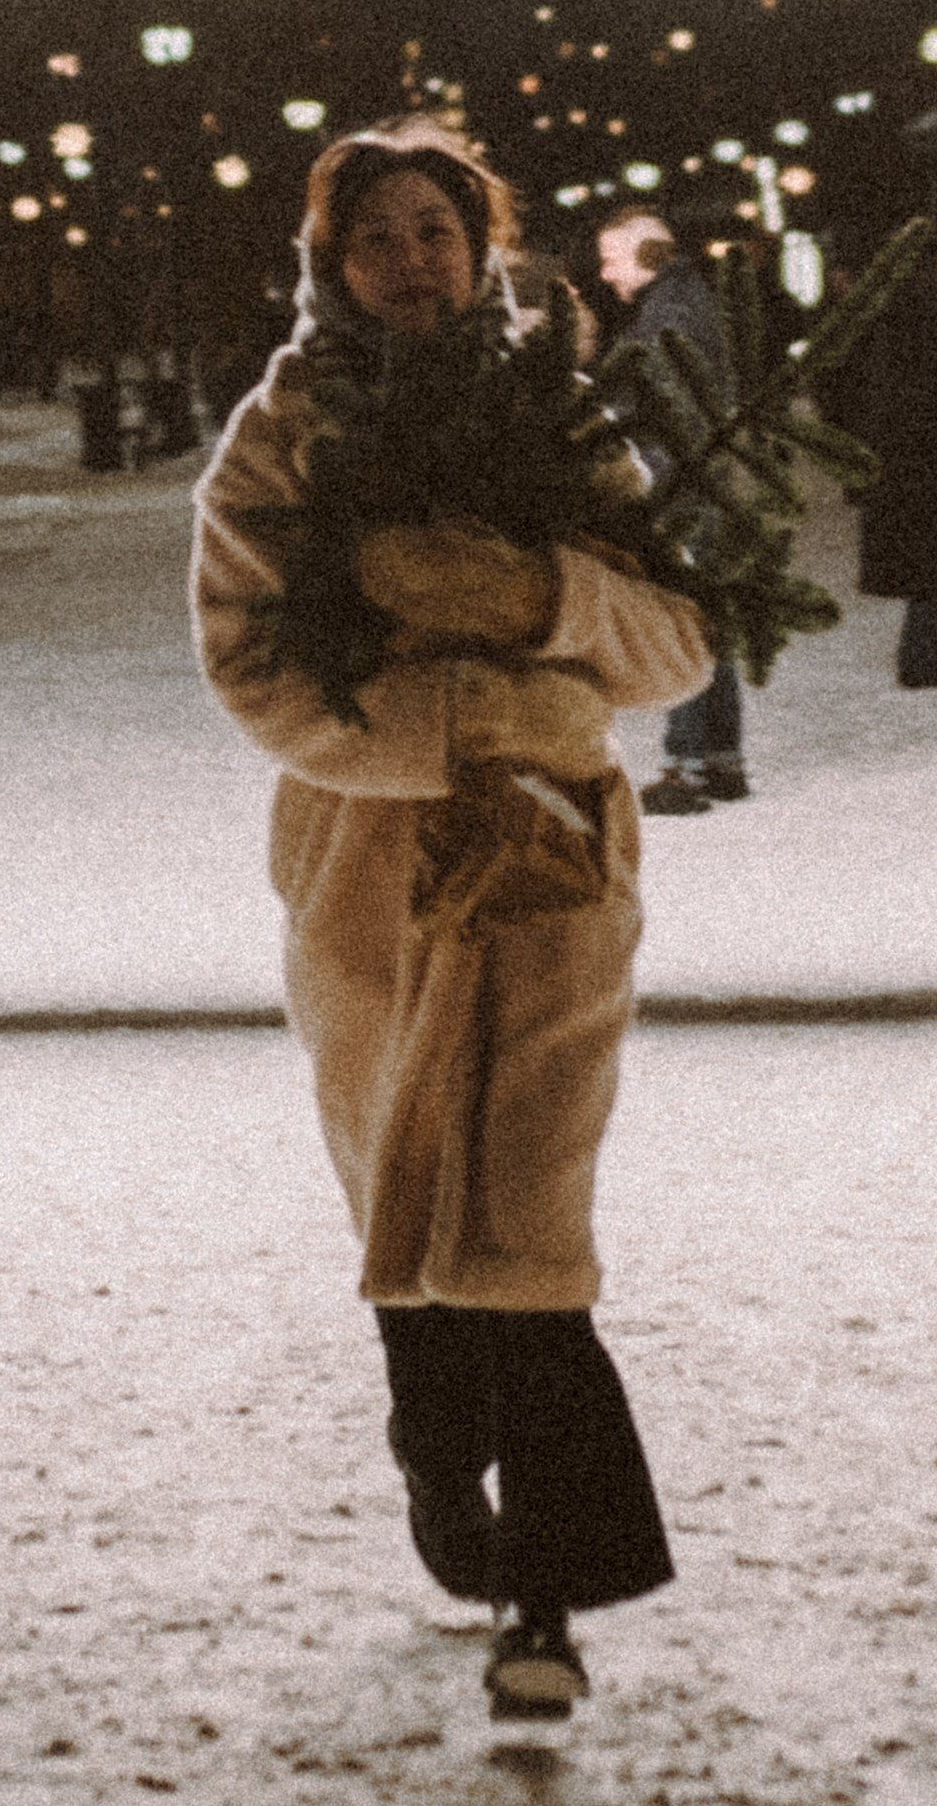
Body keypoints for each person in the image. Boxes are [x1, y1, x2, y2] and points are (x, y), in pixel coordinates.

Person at [194, 121, 712, 1726]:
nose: (409, 259)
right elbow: (249, 663)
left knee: (528, 1213)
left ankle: (546, 1594)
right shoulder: (284, 433)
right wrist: (455, 732)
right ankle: (436, 1458)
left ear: (481, 240)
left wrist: (540, 601)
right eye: (376, 239)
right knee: (414, 1216)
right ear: (329, 263)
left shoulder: (568, 417)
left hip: (555, 868)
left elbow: (679, 636)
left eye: (435, 227)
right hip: (370, 879)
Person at [596, 212, 745, 810]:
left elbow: (656, 409)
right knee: (707, 617)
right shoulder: (686, 302)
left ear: (647, 255)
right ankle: (721, 758)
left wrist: (638, 476)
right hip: (703, 481)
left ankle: (686, 765)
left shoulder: (665, 316)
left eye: (612, 259)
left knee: (679, 619)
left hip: (677, 484)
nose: (606, 273)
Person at [846, 239, 937, 686]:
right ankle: (924, 660)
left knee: (928, 566)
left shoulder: (898, 315)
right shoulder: (921, 320)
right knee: (933, 563)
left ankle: (923, 656)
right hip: (927, 460)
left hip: (909, 458)